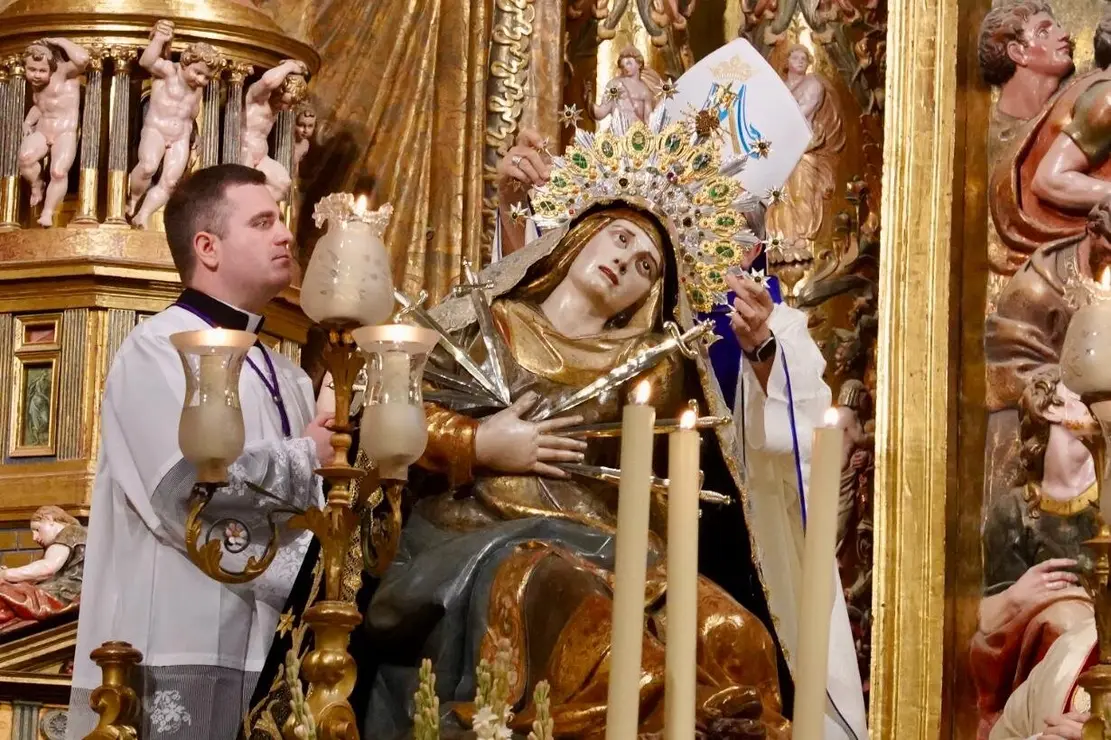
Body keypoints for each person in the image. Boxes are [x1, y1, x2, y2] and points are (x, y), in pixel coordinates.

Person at [340, 120, 866, 739]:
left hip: (616, 549)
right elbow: (392, 414)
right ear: (581, 237)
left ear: (649, 295)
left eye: (646, 264)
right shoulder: (495, 322)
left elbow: (687, 476)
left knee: (729, 629)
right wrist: (481, 444)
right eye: (618, 239)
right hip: (486, 538)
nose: (624, 262)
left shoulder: (650, 364)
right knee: (563, 597)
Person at [67, 164, 332, 739]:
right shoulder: (156, 350)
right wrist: (308, 455)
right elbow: (182, 490)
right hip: (175, 638)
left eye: (281, 219)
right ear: (207, 247)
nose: (286, 234)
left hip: (278, 644)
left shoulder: (289, 374)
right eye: (262, 222)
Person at [971, 368, 1097, 740]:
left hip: (1096, 638)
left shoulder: (1106, 496)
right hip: (1045, 656)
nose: (1091, 405)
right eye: (1079, 396)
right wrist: (1019, 596)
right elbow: (991, 615)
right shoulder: (1014, 511)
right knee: (1059, 621)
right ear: (1051, 408)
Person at [127, 20, 220, 229]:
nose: (201, 80)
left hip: (181, 136)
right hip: (157, 129)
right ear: (186, 62)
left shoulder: (198, 88)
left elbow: (191, 115)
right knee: (148, 166)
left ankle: (143, 214)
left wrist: (197, 136)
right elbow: (147, 61)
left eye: (207, 77)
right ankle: (133, 198)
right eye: (198, 72)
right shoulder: (169, 72)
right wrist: (159, 39)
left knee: (170, 183)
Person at [18, 38, 90, 228]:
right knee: (24, 159)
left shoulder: (65, 74)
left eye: (42, 71)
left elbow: (83, 59)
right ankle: (37, 184)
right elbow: (40, 106)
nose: (36, 75)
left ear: (51, 68)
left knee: (58, 172)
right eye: (32, 70)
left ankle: (48, 212)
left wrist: (60, 41)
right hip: (43, 129)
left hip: (64, 132)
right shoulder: (37, 85)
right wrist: (27, 122)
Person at [977, 1, 1072, 128]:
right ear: (1017, 52)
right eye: (1043, 33)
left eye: (1058, 27)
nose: (1064, 35)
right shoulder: (996, 132)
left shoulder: (1066, 117)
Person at [0, 506, 86, 634]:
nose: (34, 537)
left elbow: (47, 568)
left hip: (63, 594)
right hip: (58, 592)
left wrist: (6, 574)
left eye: (37, 530)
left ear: (50, 520)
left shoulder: (71, 532)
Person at [241, 59, 309, 201]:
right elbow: (266, 81)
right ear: (278, 90)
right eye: (284, 101)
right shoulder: (257, 98)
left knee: (283, 183)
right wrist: (289, 66)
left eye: (289, 104)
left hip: (261, 158)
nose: (284, 107)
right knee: (246, 189)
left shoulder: (277, 108)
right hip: (243, 151)